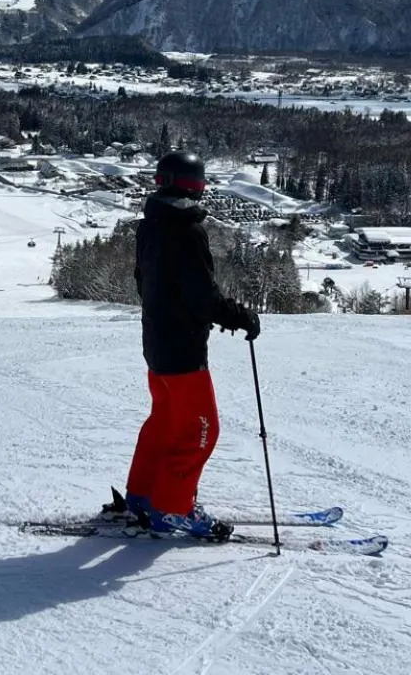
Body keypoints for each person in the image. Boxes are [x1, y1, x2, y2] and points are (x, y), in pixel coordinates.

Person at [122, 149, 260, 540]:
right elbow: (203, 298)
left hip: (157, 345)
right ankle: (172, 508)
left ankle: (143, 494)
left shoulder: (150, 226)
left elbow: (142, 282)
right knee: (201, 430)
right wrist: (241, 317)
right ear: (196, 187)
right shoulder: (187, 231)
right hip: (182, 352)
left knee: (165, 422)